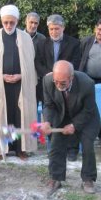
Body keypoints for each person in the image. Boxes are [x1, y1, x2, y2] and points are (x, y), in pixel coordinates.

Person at [0, 4, 38, 160]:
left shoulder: (25, 38)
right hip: (0, 86)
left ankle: (21, 149)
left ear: (17, 21)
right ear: (1, 20)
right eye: (5, 22)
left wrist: (22, 75)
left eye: (12, 22)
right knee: (2, 114)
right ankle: (0, 148)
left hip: (20, 85)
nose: (8, 25)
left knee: (20, 115)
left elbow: (30, 64)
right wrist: (0, 76)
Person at [39, 60, 101, 195]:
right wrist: (48, 122)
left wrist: (74, 125)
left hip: (86, 117)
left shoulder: (87, 83)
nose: (58, 85)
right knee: (55, 142)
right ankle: (56, 178)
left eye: (62, 83)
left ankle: (88, 178)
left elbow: (89, 110)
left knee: (87, 144)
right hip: (62, 115)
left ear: (71, 78)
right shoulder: (47, 81)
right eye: (56, 81)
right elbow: (49, 105)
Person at [35, 14, 81, 160]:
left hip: (68, 85)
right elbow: (38, 63)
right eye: (51, 29)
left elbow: (76, 62)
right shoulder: (42, 43)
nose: (54, 32)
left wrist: (63, 75)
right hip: (49, 85)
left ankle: (72, 149)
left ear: (63, 28)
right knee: (51, 115)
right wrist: (49, 75)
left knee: (70, 115)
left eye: (57, 28)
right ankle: (54, 146)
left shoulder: (74, 43)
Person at [25, 12, 46, 105]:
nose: (33, 25)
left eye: (36, 23)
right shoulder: (18, 36)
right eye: (31, 22)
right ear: (26, 22)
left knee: (36, 104)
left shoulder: (42, 39)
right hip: (22, 77)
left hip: (38, 79)